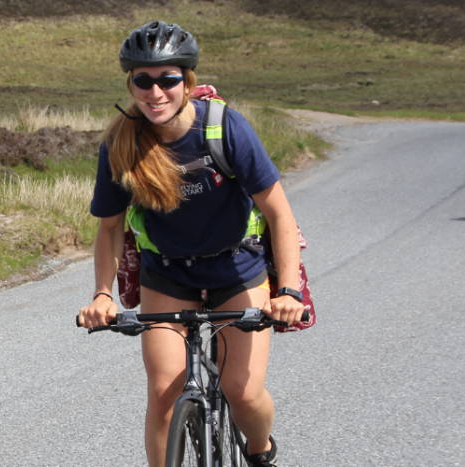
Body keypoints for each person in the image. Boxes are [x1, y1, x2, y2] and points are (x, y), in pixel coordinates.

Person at [77, 21, 303, 467]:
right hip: (168, 273)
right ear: (131, 84)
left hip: (237, 269)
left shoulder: (224, 129)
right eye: (143, 80)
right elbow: (110, 229)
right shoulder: (121, 145)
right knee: (164, 395)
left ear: (187, 82)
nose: (155, 92)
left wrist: (289, 292)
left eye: (168, 79)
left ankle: (259, 452)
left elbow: (280, 214)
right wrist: (102, 295)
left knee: (242, 392)